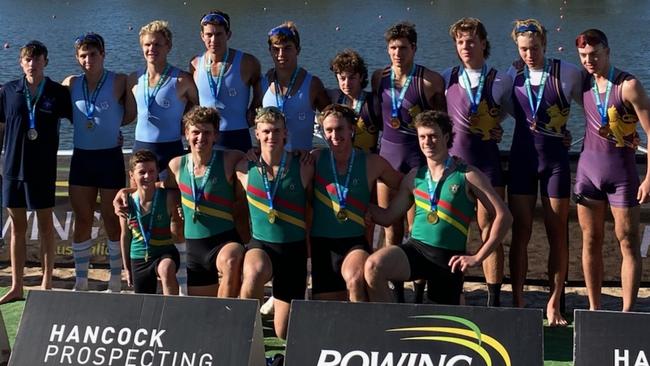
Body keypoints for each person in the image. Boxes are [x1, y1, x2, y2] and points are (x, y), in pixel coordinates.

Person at [364, 111, 512, 305]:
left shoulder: (467, 174)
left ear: (446, 137)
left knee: (441, 324)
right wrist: (359, 206)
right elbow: (386, 217)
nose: (428, 142)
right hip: (417, 249)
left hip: (449, 259)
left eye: (433, 136)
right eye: (422, 137)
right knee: (374, 266)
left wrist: (477, 257)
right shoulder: (414, 177)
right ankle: (387, 323)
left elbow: (504, 216)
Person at [507, 19, 582, 325]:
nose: (530, 54)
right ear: (517, 48)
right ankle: (519, 302)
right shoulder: (511, 75)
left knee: (557, 234)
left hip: (555, 164)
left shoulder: (568, 73)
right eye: (524, 49)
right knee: (521, 232)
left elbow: (593, 108)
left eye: (535, 48)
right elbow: (502, 112)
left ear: (545, 44)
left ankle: (554, 303)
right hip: (522, 160)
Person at [574, 29, 650, 312]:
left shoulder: (628, 85)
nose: (589, 60)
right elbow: (544, 74)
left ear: (607, 51)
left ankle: (627, 312)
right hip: (587, 174)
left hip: (622, 175)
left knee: (627, 242)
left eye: (594, 54)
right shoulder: (582, 82)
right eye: (583, 56)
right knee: (590, 241)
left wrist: (649, 178)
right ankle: (594, 310)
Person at [371, 21, 446, 302]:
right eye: (392, 48)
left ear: (414, 48)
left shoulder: (430, 81)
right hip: (388, 158)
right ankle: (397, 292)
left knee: (419, 231)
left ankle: (419, 293)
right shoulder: (379, 77)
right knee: (392, 226)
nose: (397, 53)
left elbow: (443, 127)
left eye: (403, 48)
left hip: (418, 163)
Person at [444, 17, 513, 307]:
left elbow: (520, 114)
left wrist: (496, 124)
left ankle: (493, 301)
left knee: (489, 232)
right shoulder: (445, 77)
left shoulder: (502, 79)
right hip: (454, 167)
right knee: (452, 232)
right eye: (460, 41)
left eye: (471, 40)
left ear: (483, 43)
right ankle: (452, 294)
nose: (466, 46)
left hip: (487, 164)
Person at [62, 32, 136, 292]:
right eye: (83, 55)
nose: (88, 60)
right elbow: (64, 113)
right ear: (77, 58)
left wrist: (112, 127)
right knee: (82, 219)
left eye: (93, 54)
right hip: (82, 157)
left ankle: (115, 280)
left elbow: (130, 115)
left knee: (111, 220)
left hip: (109, 158)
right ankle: (81, 281)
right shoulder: (70, 83)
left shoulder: (119, 81)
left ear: (103, 54)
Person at [0, 41, 72, 304]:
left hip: (42, 172)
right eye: (28, 59)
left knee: (45, 229)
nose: (32, 64)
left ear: (45, 62)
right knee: (17, 229)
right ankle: (17, 285)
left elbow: (84, 119)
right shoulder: (8, 91)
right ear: (21, 62)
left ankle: (47, 284)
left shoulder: (57, 92)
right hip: (12, 171)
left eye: (37, 59)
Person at [310, 104, 402, 302]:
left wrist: (384, 214)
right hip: (322, 245)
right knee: (327, 309)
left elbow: (408, 186)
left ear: (351, 129)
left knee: (354, 280)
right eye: (329, 130)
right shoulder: (315, 159)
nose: (335, 135)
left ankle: (361, 332)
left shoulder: (372, 162)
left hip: (354, 241)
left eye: (340, 128)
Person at [237, 106, 312, 339]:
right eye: (266, 132)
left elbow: (313, 208)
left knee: (284, 332)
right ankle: (246, 336)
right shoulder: (243, 168)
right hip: (261, 245)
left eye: (277, 131)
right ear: (256, 134)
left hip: (294, 251)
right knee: (255, 271)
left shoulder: (304, 165)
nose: (272, 137)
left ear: (286, 133)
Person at [167, 106, 245, 297]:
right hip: (194, 248)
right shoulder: (176, 165)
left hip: (224, 241)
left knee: (231, 261)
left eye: (207, 133)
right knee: (203, 310)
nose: (201, 138)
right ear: (186, 134)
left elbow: (260, 164)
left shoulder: (230, 159)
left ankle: (227, 321)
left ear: (216, 135)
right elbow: (162, 189)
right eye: (196, 132)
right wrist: (127, 192)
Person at [129, 20, 198, 178]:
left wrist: (186, 122)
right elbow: (128, 115)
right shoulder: (134, 79)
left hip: (170, 151)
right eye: (147, 45)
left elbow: (201, 108)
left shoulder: (182, 80)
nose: (151, 49)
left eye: (157, 44)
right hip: (140, 149)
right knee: (140, 201)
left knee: (171, 201)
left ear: (168, 46)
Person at [190, 10, 262, 152]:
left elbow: (261, 91)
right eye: (209, 35)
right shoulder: (195, 64)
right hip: (205, 138)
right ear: (202, 36)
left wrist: (253, 110)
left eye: (218, 34)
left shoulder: (247, 62)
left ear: (228, 35)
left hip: (238, 136)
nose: (213, 40)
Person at [260, 21, 329, 152]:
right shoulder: (263, 82)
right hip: (271, 162)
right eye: (276, 49)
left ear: (298, 50)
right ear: (270, 51)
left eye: (287, 48)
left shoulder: (313, 84)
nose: (281, 54)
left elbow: (331, 120)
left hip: (302, 163)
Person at [120, 150, 181, 295]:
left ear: (157, 172)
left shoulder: (168, 198)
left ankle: (171, 313)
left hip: (164, 252)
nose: (147, 176)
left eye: (152, 171)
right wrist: (127, 268)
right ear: (131, 175)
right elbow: (125, 236)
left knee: (166, 269)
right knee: (143, 303)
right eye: (142, 172)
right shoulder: (125, 202)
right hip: (139, 257)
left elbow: (179, 234)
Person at [327, 50, 381, 153]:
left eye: (352, 78)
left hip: (367, 163)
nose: (347, 83)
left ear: (361, 77)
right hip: (341, 162)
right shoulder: (333, 97)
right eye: (342, 78)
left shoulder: (374, 102)